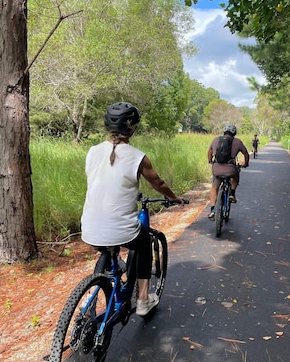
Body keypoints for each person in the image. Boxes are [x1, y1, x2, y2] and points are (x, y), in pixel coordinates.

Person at [81, 102, 184, 316]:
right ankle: (144, 301)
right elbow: (158, 183)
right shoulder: (137, 156)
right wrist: (174, 198)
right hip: (120, 230)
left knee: (108, 246)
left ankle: (93, 297)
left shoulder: (92, 151)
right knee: (144, 242)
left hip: (89, 228)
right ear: (133, 127)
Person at [207, 124, 249, 219]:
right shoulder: (237, 141)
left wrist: (210, 161)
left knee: (214, 187)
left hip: (217, 169)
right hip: (230, 170)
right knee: (236, 175)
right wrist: (246, 163)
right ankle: (232, 193)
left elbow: (209, 152)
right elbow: (246, 154)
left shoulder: (216, 140)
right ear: (234, 133)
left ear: (224, 132)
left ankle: (213, 209)